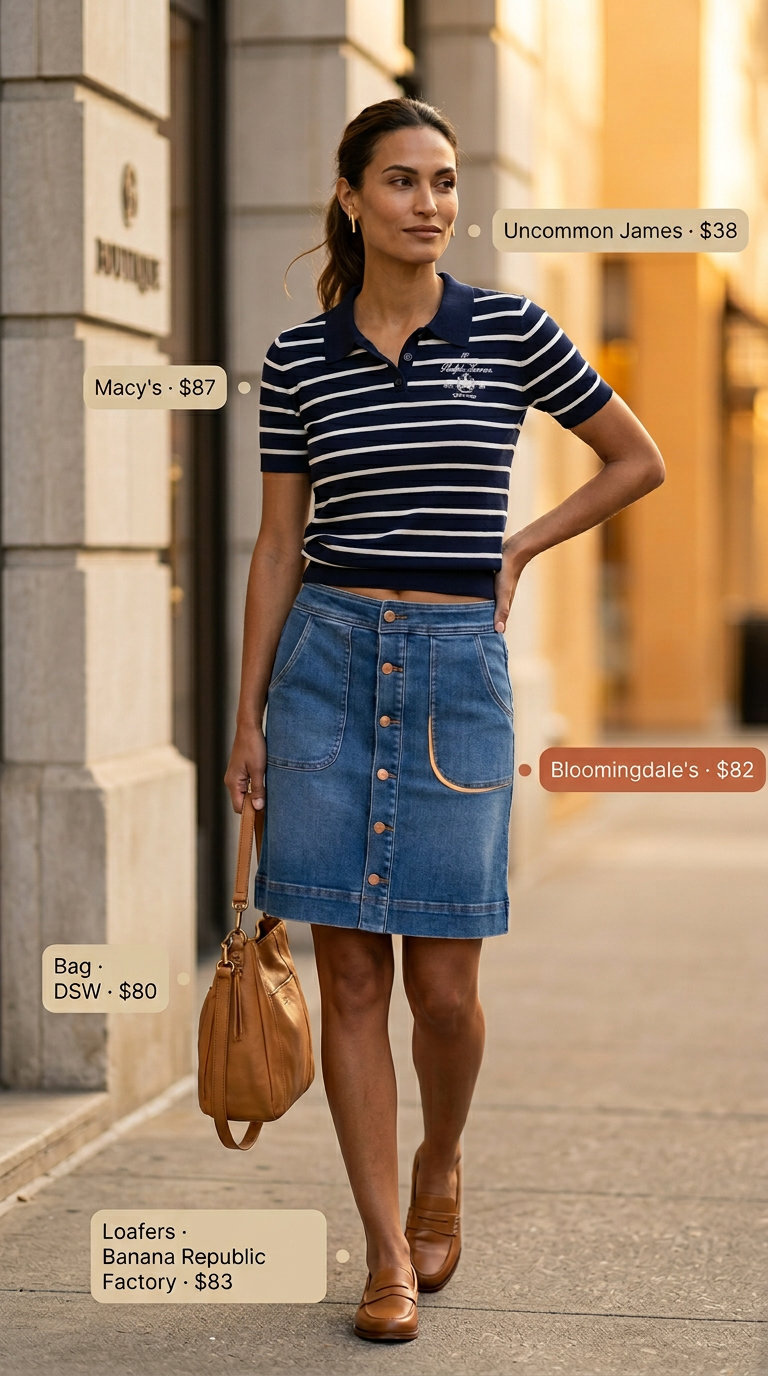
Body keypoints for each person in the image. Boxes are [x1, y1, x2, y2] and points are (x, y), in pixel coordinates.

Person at [224, 96, 664, 1342]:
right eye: (405, 181)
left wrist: (518, 548)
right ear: (355, 195)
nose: (431, 203)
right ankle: (383, 1254)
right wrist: (247, 717)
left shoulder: (512, 329)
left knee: (449, 991)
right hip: (325, 665)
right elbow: (272, 547)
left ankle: (442, 1159)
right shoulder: (297, 358)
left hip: (456, 672)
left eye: (446, 182)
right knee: (351, 972)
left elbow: (637, 457)